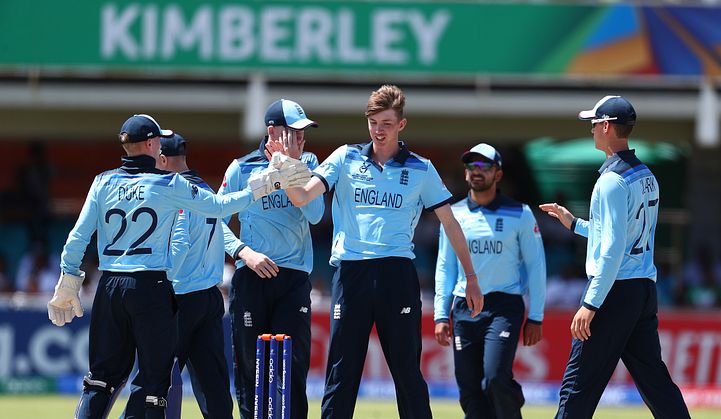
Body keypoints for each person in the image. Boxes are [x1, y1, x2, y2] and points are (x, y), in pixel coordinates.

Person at [275, 84, 484, 419]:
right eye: (373, 122)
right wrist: (285, 164)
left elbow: (451, 223)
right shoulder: (345, 157)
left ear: (401, 124)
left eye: (386, 123)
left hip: (396, 273)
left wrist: (471, 277)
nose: (379, 130)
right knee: (341, 375)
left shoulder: (420, 168)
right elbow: (301, 197)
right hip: (352, 273)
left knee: (407, 374)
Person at [46, 114, 255, 419]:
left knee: (99, 381)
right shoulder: (169, 182)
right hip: (151, 286)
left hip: (110, 284)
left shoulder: (102, 181)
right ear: (150, 143)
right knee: (154, 387)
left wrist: (68, 280)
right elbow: (219, 208)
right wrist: (259, 188)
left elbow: (78, 237)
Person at [539, 96, 690, 419]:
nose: (591, 130)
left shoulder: (610, 181)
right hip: (641, 290)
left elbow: (611, 249)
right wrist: (574, 223)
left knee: (577, 386)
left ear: (607, 126)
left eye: (594, 124)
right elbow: (621, 234)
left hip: (613, 291)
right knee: (656, 383)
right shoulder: (646, 175)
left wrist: (590, 303)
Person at [219, 99, 324, 419]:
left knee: (292, 366)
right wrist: (243, 252)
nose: (302, 140)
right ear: (272, 132)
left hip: (293, 279)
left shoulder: (308, 162)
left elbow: (316, 214)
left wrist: (291, 167)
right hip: (251, 276)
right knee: (251, 366)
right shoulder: (242, 167)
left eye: (304, 134)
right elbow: (213, 220)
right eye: (294, 133)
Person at [122, 133, 234, 418]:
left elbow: (180, 242)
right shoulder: (205, 190)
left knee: (152, 377)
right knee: (214, 385)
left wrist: (162, 282)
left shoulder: (176, 191)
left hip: (179, 298)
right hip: (209, 297)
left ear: (161, 159)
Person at [434, 143, 546, 418]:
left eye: (484, 166)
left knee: (495, 377)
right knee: (470, 389)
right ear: (465, 173)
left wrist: (536, 316)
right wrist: (440, 314)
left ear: (498, 174)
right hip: (463, 308)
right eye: (472, 166)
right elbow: (446, 266)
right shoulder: (453, 214)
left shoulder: (520, 213)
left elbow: (536, 266)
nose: (477, 172)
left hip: (503, 306)